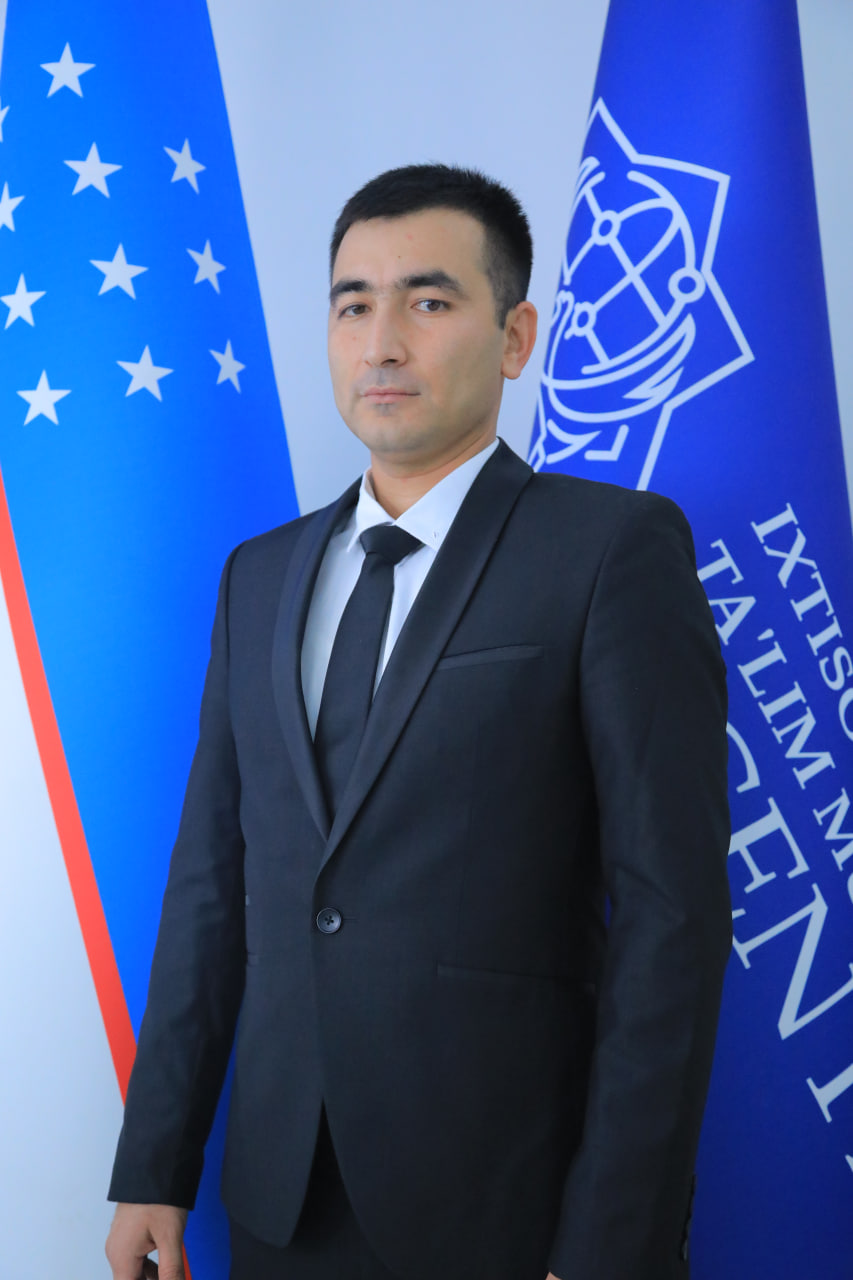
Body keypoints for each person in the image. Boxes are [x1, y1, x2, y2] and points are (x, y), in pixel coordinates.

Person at [106, 163, 732, 1280]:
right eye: (353, 305)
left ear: (514, 336)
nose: (382, 342)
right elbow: (209, 885)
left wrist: (610, 1242)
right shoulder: (259, 575)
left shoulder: (609, 551)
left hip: (511, 1206)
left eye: (428, 301)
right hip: (281, 1202)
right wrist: (155, 1161)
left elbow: (670, 921)